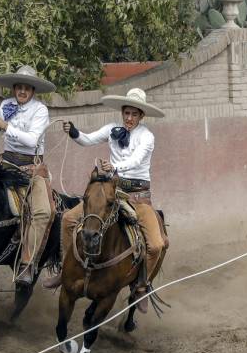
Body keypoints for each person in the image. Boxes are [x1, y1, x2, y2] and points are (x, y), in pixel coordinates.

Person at [43, 88, 167, 310]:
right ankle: (65, 270)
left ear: (141, 116)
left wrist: (115, 166)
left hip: (138, 197)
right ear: (122, 112)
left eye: (134, 114)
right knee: (69, 219)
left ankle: (141, 284)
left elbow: (136, 161)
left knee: (156, 245)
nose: (129, 118)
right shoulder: (112, 129)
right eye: (126, 113)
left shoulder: (147, 136)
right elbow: (88, 140)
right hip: (111, 193)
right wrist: (73, 132)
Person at [0, 65, 55, 286]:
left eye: (27, 88)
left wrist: (5, 126)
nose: (22, 91)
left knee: (43, 212)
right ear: (14, 88)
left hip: (30, 169)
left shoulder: (40, 110)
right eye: (19, 87)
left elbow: (32, 140)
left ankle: (26, 263)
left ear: (33, 91)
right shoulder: (6, 104)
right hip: (5, 163)